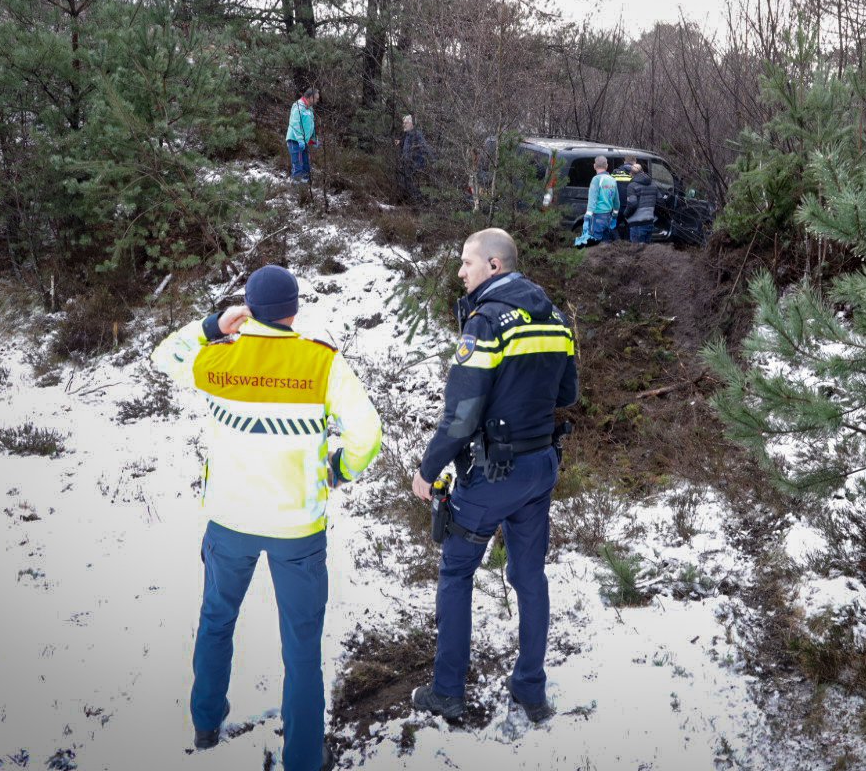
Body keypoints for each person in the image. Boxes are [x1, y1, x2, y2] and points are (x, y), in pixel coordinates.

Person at [151, 265, 382, 771]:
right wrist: (340, 469)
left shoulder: (218, 357)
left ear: (249, 309)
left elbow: (163, 357)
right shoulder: (321, 362)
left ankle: (206, 723)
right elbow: (367, 435)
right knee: (301, 644)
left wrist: (213, 325)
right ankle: (303, 757)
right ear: (294, 310)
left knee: (216, 620)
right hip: (297, 529)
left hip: (230, 522)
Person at [410, 228, 578, 725]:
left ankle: (447, 692)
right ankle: (531, 690)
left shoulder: (485, 323)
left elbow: (461, 415)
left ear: (494, 266)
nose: (460, 272)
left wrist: (427, 469)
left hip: (492, 475)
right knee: (529, 577)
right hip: (540, 468)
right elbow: (567, 395)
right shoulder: (556, 318)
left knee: (456, 572)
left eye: (467, 262)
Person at [583, 156, 620, 243]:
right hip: (608, 217)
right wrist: (614, 217)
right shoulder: (612, 180)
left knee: (595, 245)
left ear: (594, 166)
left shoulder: (596, 179)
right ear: (606, 166)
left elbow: (592, 201)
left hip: (597, 217)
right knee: (605, 244)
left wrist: (586, 219)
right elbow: (617, 202)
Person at [397, 114, 432, 202]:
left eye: (406, 123)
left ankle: (418, 203)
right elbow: (406, 147)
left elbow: (425, 147)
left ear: (411, 124)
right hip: (407, 166)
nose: (403, 125)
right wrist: (400, 143)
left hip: (416, 166)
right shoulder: (407, 135)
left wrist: (433, 160)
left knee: (414, 186)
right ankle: (408, 202)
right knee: (405, 184)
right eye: (403, 123)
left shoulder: (417, 134)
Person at [622, 158, 658, 243]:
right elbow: (660, 201)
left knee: (637, 250)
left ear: (631, 174)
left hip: (637, 224)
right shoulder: (653, 184)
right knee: (646, 250)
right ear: (642, 171)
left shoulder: (632, 186)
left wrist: (625, 215)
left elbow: (632, 204)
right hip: (649, 222)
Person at [286, 88, 318, 182]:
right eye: (316, 98)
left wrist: (313, 139)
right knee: (298, 166)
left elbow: (310, 125)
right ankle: (295, 187)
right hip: (295, 140)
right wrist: (300, 139)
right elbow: (295, 124)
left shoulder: (310, 109)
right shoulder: (298, 107)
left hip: (304, 141)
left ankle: (305, 188)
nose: (317, 100)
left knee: (306, 166)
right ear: (310, 97)